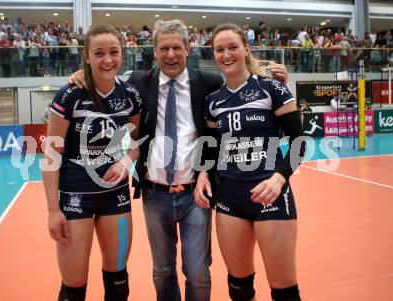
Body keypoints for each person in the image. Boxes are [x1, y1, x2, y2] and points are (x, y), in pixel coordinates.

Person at [68, 19, 289, 301]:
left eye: (176, 47)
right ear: (154, 52)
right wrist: (81, 73)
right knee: (162, 270)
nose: (170, 55)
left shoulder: (208, 82)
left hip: (196, 192)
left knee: (197, 271)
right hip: (154, 193)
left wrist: (274, 80)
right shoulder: (138, 82)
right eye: (164, 48)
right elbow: (103, 74)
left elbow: (242, 79)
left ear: (188, 48)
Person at [194, 23, 304, 301]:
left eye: (233, 47)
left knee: (284, 290)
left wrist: (279, 178)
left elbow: (299, 142)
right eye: (220, 49)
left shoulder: (271, 88)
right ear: (214, 54)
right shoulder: (213, 101)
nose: (227, 54)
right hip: (230, 197)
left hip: (271, 195)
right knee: (239, 287)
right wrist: (204, 173)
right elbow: (211, 146)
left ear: (246, 49)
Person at [42, 24, 142, 301]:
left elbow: (137, 142)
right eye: (99, 53)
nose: (107, 60)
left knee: (118, 282)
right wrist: (52, 210)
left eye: (113, 52)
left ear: (122, 55)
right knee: (73, 288)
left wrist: (125, 160)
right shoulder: (69, 94)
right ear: (86, 56)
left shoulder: (130, 95)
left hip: (115, 198)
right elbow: (51, 155)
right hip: (76, 198)